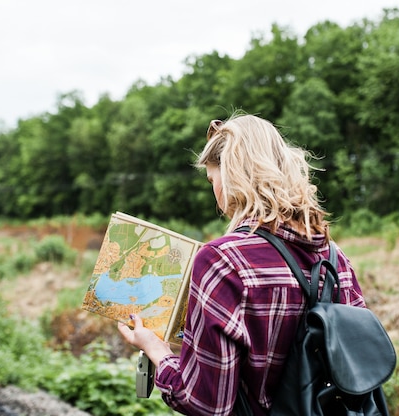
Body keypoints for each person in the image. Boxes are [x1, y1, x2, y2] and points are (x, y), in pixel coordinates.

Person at [118, 112, 366, 415]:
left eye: (213, 179)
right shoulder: (336, 260)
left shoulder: (221, 261)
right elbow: (358, 364)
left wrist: (156, 349)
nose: (214, 192)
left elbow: (206, 403)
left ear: (232, 175)